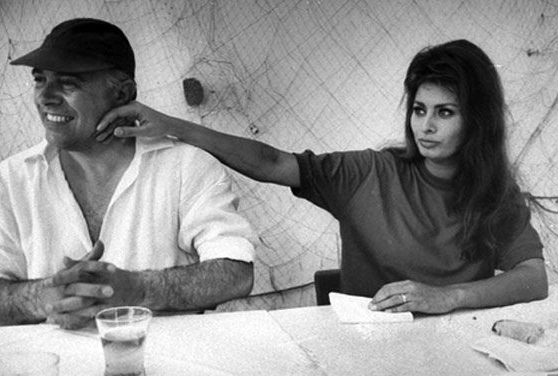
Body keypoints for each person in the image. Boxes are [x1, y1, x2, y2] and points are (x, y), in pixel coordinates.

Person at [93, 39, 548, 314]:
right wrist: (173, 125)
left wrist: (449, 298)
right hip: (356, 338)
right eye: (419, 110)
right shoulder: (370, 173)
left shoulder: (494, 194)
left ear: (477, 120)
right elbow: (273, 163)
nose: (425, 127)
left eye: (444, 113)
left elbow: (534, 277)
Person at [0, 18, 256, 329]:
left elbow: (236, 273)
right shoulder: (11, 179)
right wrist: (40, 296)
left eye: (68, 82)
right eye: (39, 79)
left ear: (122, 93)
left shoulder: (186, 166)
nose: (46, 96)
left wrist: (139, 290)